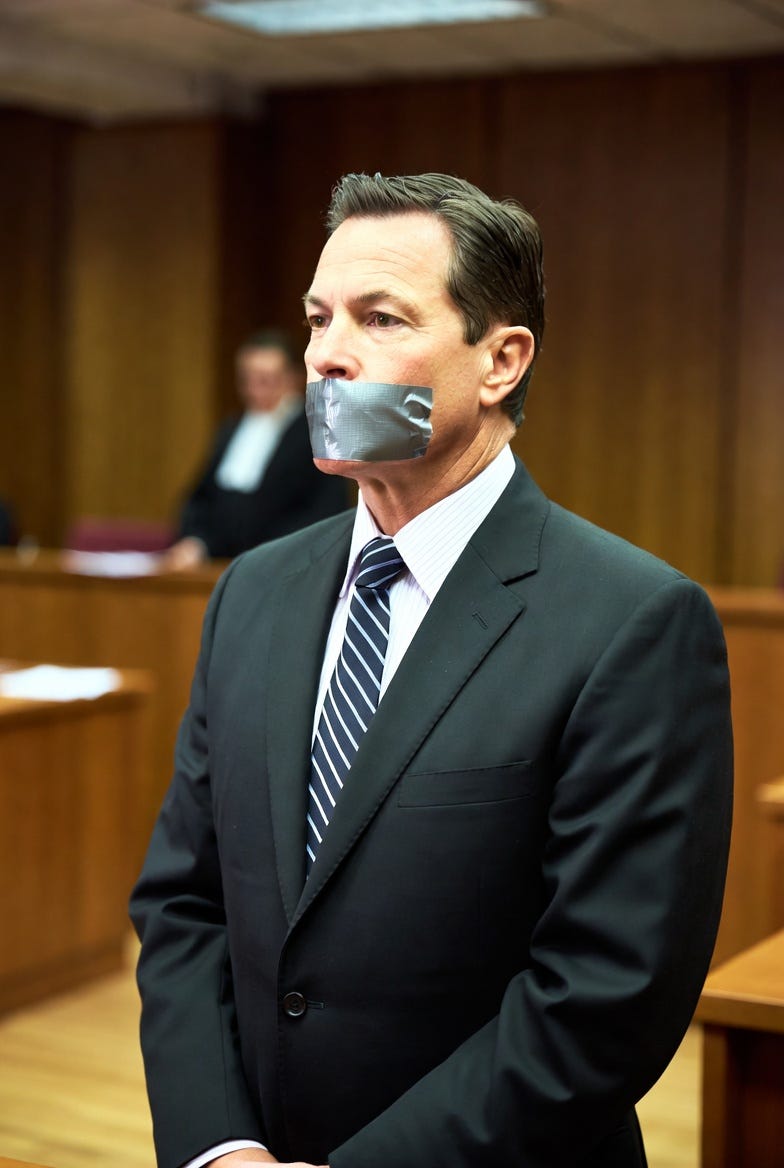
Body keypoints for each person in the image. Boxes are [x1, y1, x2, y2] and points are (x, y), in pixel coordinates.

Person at [131, 173, 733, 1168]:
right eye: (319, 317)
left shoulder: (633, 621)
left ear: (500, 360)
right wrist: (219, 1146)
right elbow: (185, 903)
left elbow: (601, 995)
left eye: (379, 317)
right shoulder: (254, 593)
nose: (326, 354)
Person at [164, 329, 350, 568]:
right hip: (219, 565)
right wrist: (196, 541)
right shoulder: (232, 428)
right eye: (248, 379)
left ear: (291, 378)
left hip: (282, 565)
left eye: (266, 380)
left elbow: (325, 512)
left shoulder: (315, 434)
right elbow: (202, 498)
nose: (255, 389)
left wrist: (268, 555)